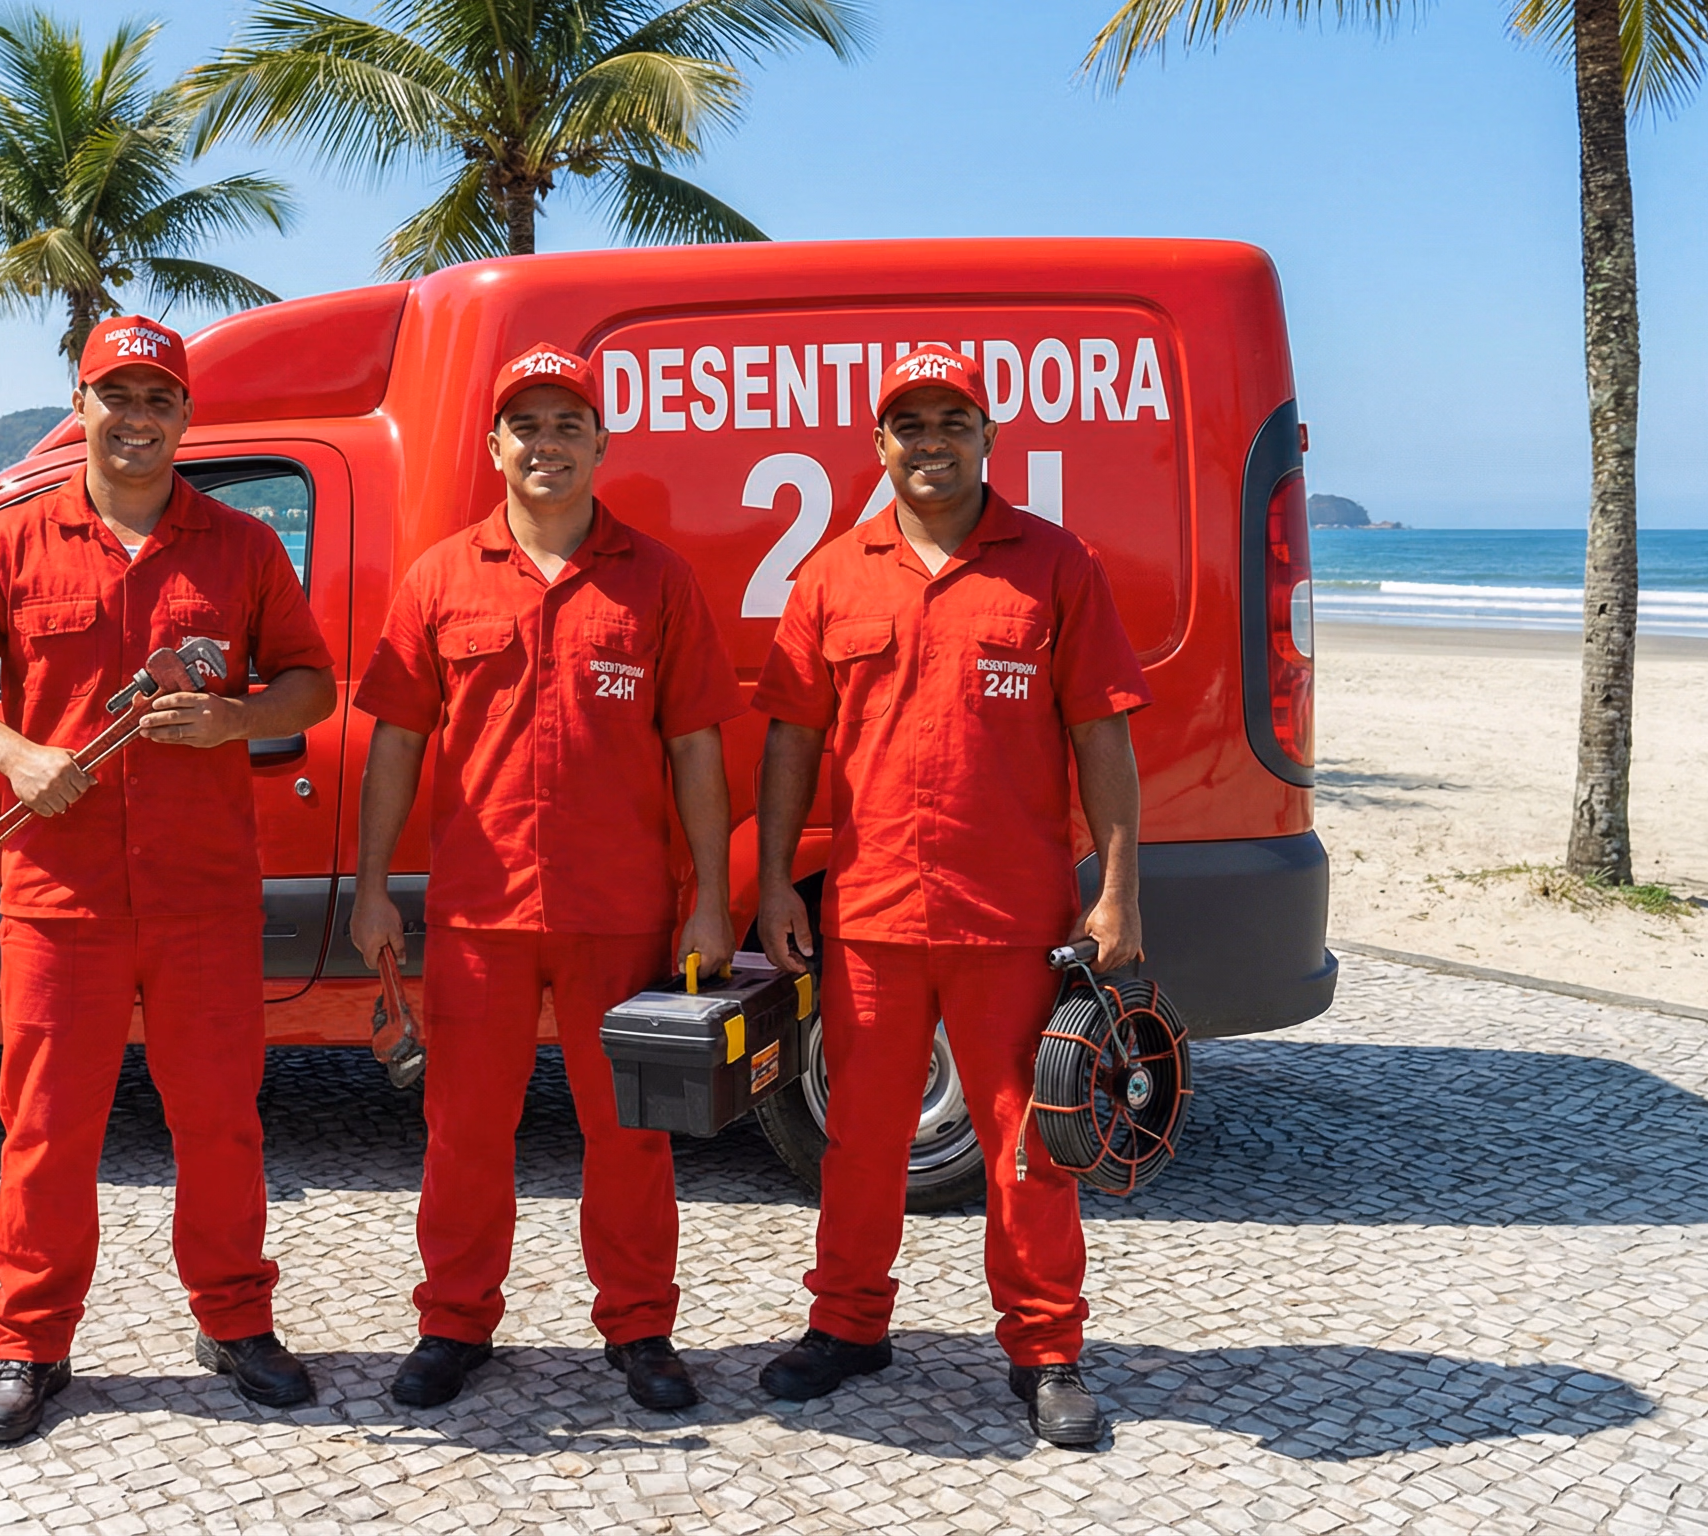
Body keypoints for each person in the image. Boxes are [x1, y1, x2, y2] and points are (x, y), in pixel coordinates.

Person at [0, 315, 338, 1446]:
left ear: (187, 415)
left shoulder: (240, 547)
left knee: (219, 1121)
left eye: (158, 398)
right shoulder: (10, 542)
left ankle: (235, 1323)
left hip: (202, 894)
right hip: (61, 897)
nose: (137, 418)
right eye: (116, 395)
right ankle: (30, 1345)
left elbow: (310, 685)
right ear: (81, 402)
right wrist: (14, 751)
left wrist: (238, 717)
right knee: (45, 1125)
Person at [749, 345, 1151, 1449]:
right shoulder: (833, 574)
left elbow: (1102, 736)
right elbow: (792, 739)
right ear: (877, 446)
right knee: (861, 1140)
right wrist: (779, 878)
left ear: (986, 435)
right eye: (908, 424)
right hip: (871, 915)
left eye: (951, 420)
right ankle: (846, 1326)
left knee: (1031, 1140)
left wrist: (1115, 891)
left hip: (1014, 919)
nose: (931, 441)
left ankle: (1045, 1349)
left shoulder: (1054, 564)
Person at [350, 344, 742, 1412]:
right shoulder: (439, 577)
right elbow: (395, 740)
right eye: (526, 425)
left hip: (618, 912)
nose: (546, 444)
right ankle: (454, 1321)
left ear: (600, 443)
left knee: (629, 1133)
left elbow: (697, 745)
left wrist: (709, 896)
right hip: (479, 912)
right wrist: (372, 883)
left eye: (567, 423)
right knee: (465, 1130)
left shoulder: (655, 579)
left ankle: (640, 1327)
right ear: (494, 447)